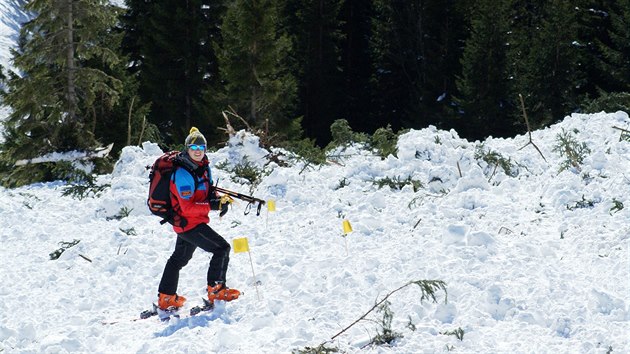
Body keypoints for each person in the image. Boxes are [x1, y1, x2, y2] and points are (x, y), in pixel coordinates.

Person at [156, 127, 240, 311]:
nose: (197, 150)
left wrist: (218, 199)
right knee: (222, 248)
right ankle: (216, 290)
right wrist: (212, 206)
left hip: (190, 222)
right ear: (187, 149)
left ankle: (166, 297)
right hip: (188, 223)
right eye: (193, 147)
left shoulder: (202, 167)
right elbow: (187, 207)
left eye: (201, 147)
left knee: (178, 259)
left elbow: (207, 191)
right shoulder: (183, 174)